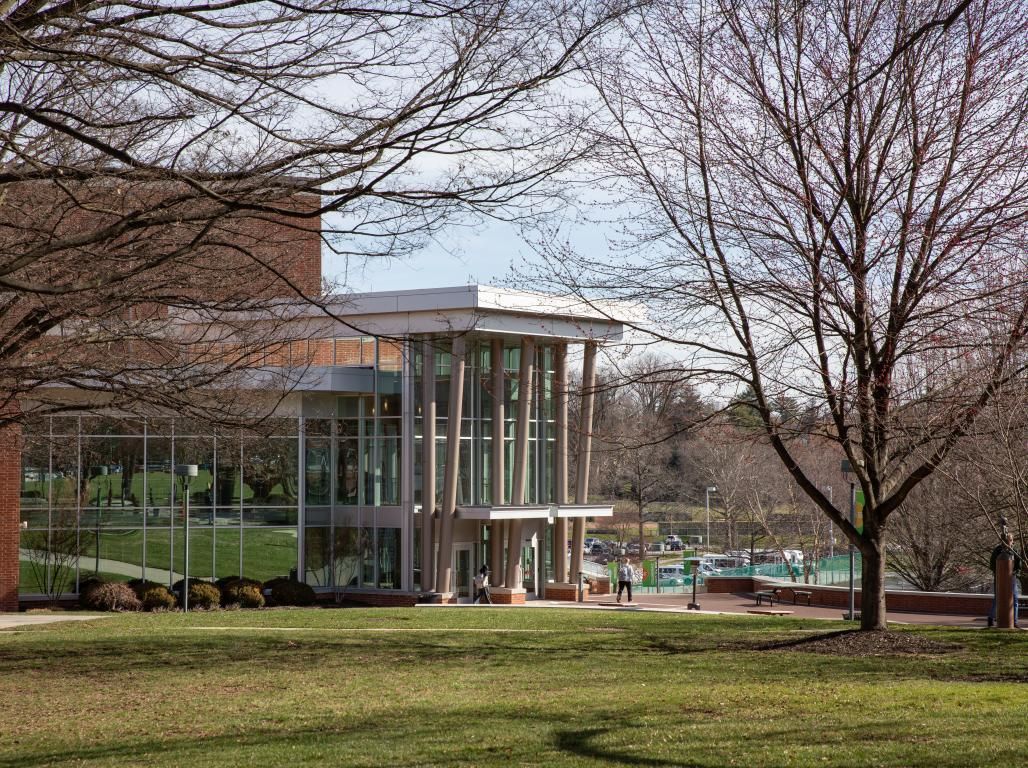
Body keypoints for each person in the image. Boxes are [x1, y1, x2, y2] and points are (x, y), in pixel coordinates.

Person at [988, 533, 1022, 628]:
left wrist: (1014, 573)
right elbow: (992, 564)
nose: (1008, 543)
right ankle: (991, 618)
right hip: (999, 578)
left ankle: (1014, 621)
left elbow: (1019, 565)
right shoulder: (998, 550)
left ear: (1012, 541)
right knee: (997, 598)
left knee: (1014, 599)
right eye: (1006, 541)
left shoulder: (1014, 551)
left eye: (1009, 541)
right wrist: (999, 573)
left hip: (1012, 578)